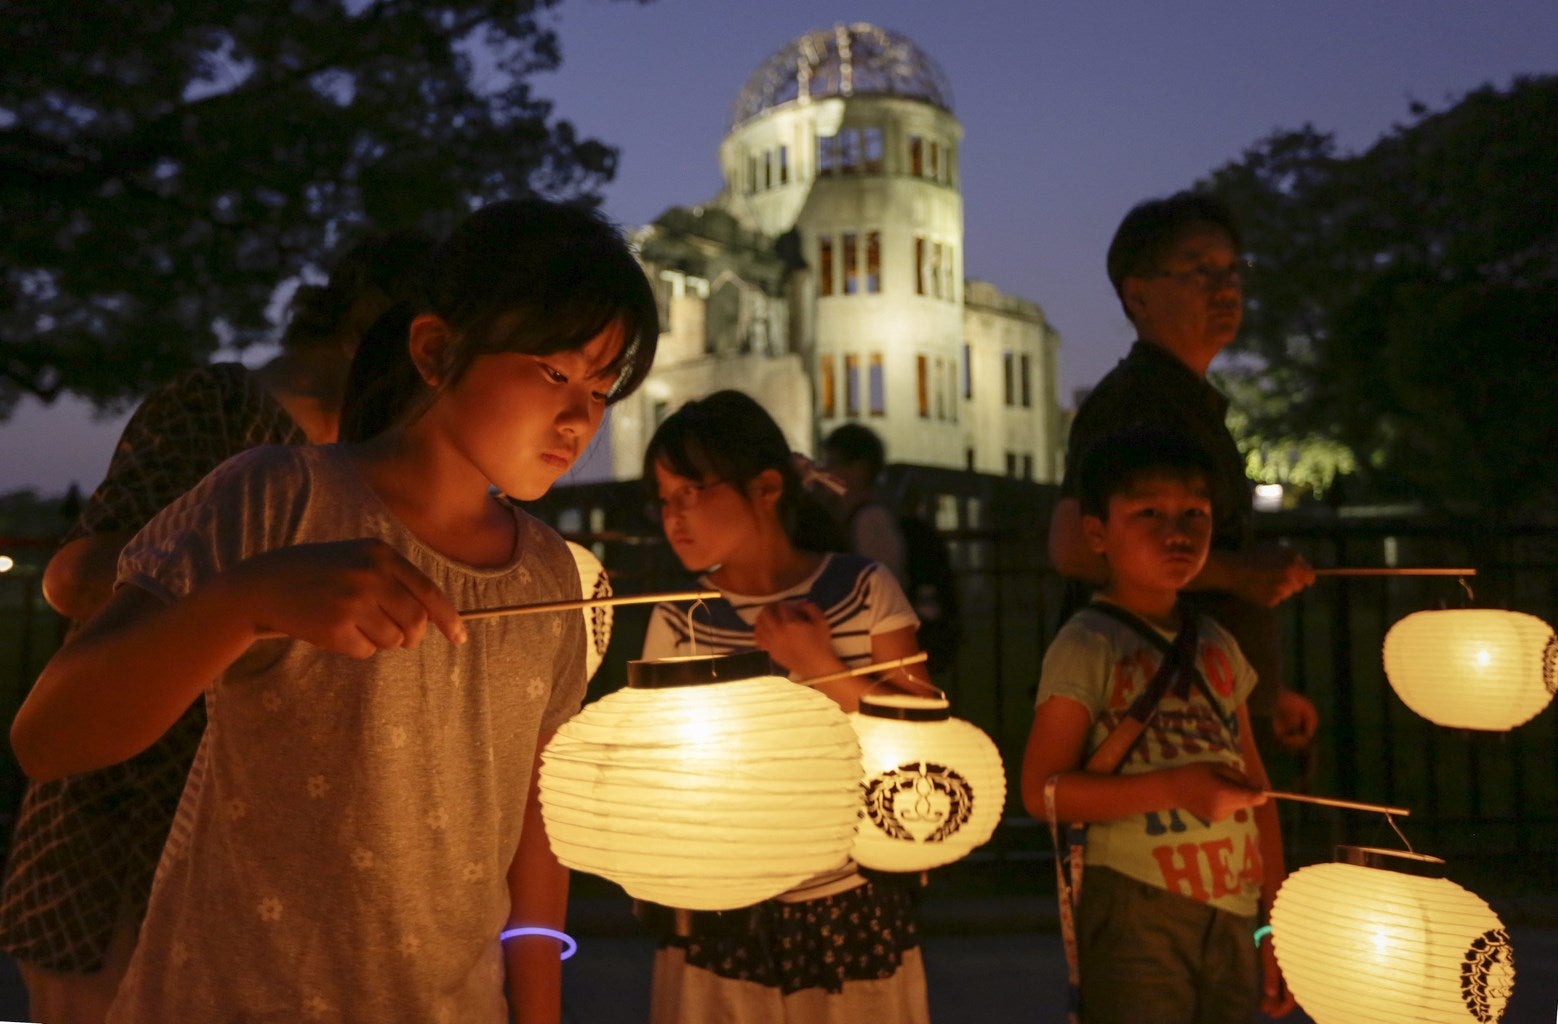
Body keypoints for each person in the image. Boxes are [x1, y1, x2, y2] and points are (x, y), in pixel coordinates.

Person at [8, 197, 660, 1024]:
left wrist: (536, 1010)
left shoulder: (556, 580)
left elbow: (532, 830)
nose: (580, 418)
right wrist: (247, 601)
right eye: (555, 372)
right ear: (436, 349)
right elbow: (50, 737)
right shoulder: (279, 497)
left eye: (603, 389)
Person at [0, 229, 432, 1024]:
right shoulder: (226, 411)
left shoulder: (372, 459)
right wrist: (249, 594)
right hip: (125, 819)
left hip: (255, 851)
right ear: (372, 325)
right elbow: (75, 576)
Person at [640, 389, 934, 1024]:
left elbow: (929, 744)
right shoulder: (678, 618)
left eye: (691, 493)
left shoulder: (861, 590)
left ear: (767, 488)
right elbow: (659, 776)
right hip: (723, 907)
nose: (674, 517)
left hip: (850, 896)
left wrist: (821, 667)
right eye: (664, 500)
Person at [1021, 424, 1295, 1022]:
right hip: (1135, 904)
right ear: (1098, 533)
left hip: (1233, 906)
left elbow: (1258, 791)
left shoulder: (1218, 644)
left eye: (1194, 513)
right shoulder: (1088, 643)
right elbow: (1044, 792)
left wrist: (1273, 922)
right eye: (1149, 512)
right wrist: (1175, 789)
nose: (1177, 532)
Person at [1048, 191, 1319, 755]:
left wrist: (1263, 690)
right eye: (1200, 271)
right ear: (1138, 294)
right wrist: (1239, 574)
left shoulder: (1187, 401)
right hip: (1162, 716)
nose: (1226, 289)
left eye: (1231, 271)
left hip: (1204, 694)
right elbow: (1076, 548)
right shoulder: (1136, 403)